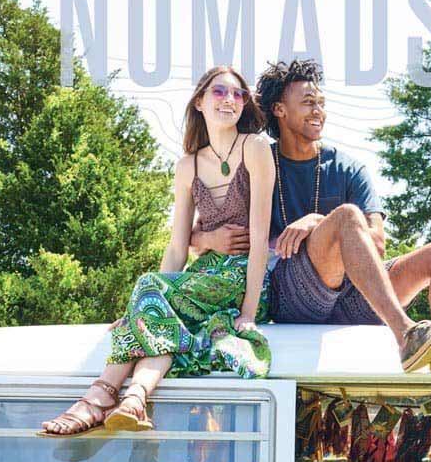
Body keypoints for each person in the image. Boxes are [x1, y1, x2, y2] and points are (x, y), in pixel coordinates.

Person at [246, 58, 431, 373]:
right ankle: (406, 334)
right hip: (295, 297)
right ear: (280, 110)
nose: (318, 111)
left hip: (359, 295)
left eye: (321, 103)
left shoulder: (348, 168)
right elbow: (233, 235)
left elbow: (376, 244)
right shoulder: (259, 161)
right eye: (308, 103)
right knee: (348, 216)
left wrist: (316, 223)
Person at [40, 66, 275, 437]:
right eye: (219, 92)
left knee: (151, 291)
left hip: (242, 276)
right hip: (200, 277)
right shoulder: (188, 166)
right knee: (156, 307)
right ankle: (134, 397)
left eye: (238, 94)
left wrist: (248, 312)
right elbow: (178, 246)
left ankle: (97, 398)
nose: (229, 100)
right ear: (199, 102)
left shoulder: (255, 148)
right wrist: (139, 304)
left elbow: (261, 237)